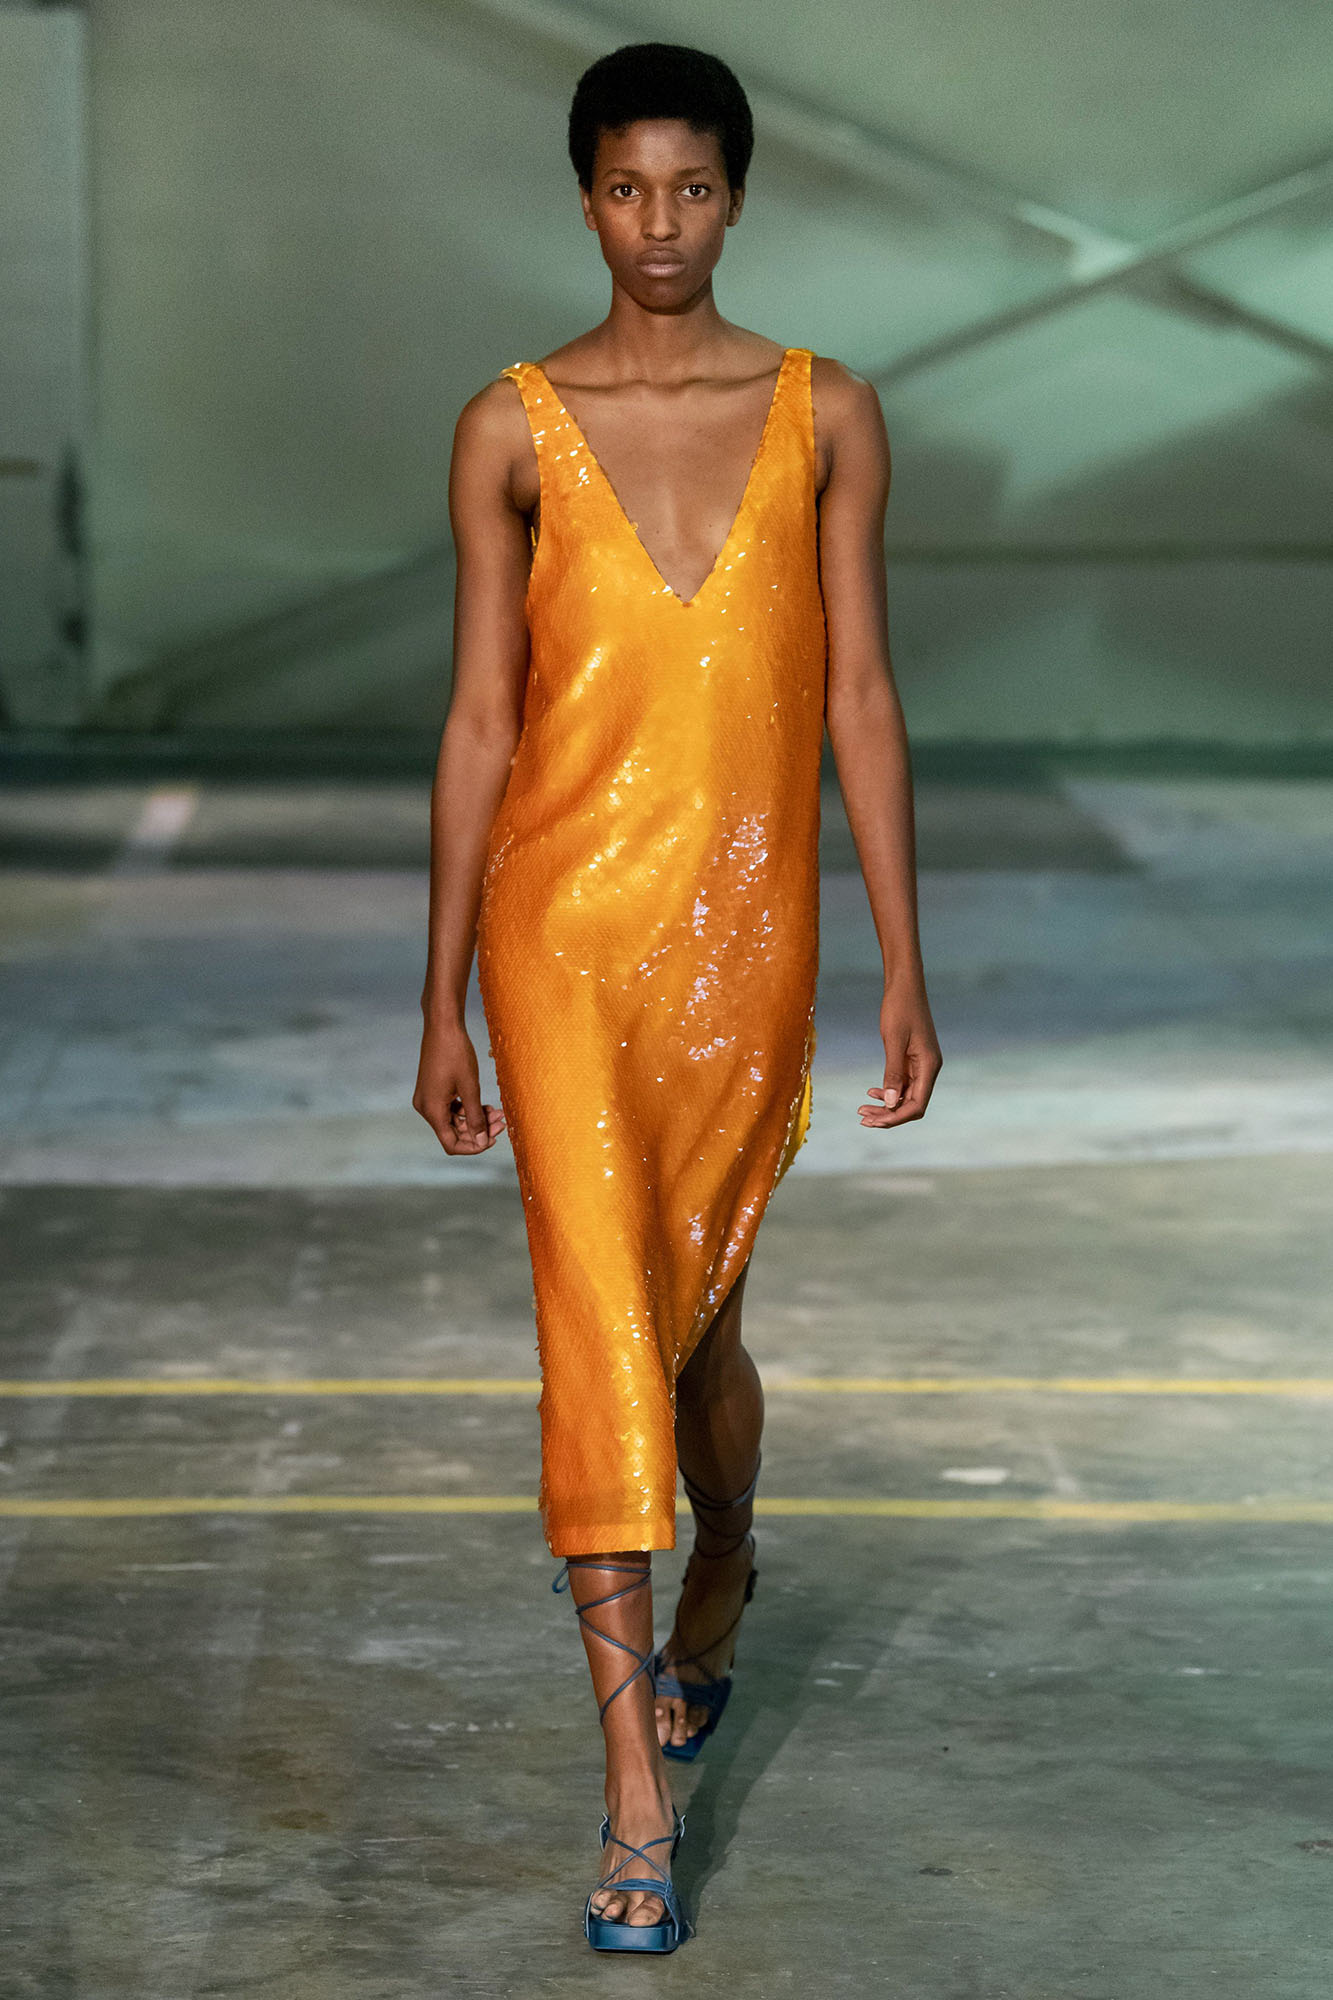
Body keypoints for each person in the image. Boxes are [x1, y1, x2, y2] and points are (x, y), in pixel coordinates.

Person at [413, 40, 941, 1954]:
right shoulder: (508, 426)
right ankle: (634, 1797)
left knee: (695, 1329)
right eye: (627, 189)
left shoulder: (823, 412)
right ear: (583, 201)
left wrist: (903, 959)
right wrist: (438, 996)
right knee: (596, 1331)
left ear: (736, 199)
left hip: (744, 936)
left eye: (692, 189)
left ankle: (726, 1549)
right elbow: (482, 719)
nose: (660, 224)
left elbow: (858, 691)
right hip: (556, 930)